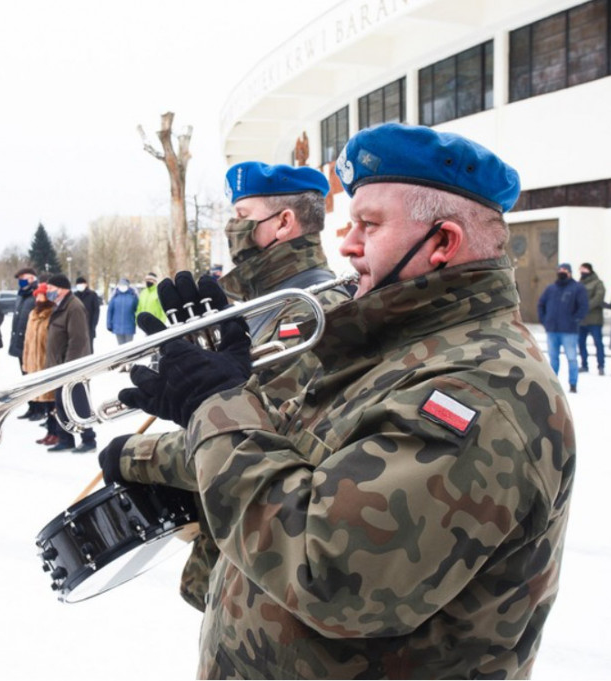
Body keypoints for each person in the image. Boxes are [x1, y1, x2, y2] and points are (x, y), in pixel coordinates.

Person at [110, 123, 575, 678]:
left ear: (444, 243)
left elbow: (327, 569)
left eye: (369, 225)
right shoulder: (392, 348)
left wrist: (218, 405)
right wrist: (229, 394)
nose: (347, 244)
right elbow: (294, 456)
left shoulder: (479, 390)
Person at [103, 160, 348, 612]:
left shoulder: (311, 309)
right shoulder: (257, 304)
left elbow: (266, 432)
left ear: (283, 223)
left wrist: (137, 456)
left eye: (241, 215)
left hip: (271, 562)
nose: (232, 229)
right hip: (239, 544)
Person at [43, 273, 96, 453]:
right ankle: (66, 439)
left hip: (73, 367)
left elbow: (78, 339)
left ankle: (88, 439)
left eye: (51, 288)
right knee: (61, 404)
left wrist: (69, 366)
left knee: (78, 403)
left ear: (62, 288)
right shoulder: (59, 306)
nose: (48, 291)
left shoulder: (74, 307)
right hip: (60, 366)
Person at [537, 262, 589, 393]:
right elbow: (541, 304)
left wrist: (575, 320)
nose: (561, 271)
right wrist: (545, 320)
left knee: (571, 358)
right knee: (553, 359)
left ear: (570, 272)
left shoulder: (578, 288)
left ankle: (573, 383)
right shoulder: (551, 288)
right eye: (559, 269)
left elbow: (583, 307)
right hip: (552, 330)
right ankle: (553, 385)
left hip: (569, 331)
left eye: (564, 270)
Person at [21, 283, 58, 446]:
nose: (38, 298)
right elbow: (27, 341)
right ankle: (49, 431)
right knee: (44, 402)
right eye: (36, 295)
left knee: (52, 401)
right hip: (34, 363)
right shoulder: (32, 314)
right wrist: (26, 362)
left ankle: (56, 432)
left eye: (41, 295)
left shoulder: (53, 313)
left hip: (46, 363)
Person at [8, 267, 41, 420]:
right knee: (25, 377)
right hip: (20, 343)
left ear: (33, 278)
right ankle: (32, 407)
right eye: (20, 278)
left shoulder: (36, 294)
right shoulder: (21, 295)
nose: (22, 281)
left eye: (25, 278)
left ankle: (40, 408)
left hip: (31, 343)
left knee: (34, 377)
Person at [578, 262, 607, 375]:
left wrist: (584, 307)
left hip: (594, 320)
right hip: (582, 321)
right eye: (580, 269)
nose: (581, 271)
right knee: (581, 343)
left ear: (589, 270)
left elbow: (598, 298)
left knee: (598, 343)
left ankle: (601, 365)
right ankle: (584, 364)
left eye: (584, 269)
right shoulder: (579, 284)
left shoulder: (598, 283)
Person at [105, 278, 138, 346]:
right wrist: (109, 324)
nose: (122, 287)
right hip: (117, 328)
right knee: (121, 348)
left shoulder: (133, 296)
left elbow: (137, 310)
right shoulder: (115, 296)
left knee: (129, 348)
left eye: (124, 285)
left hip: (129, 327)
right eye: (121, 285)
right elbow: (110, 311)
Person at [73, 276, 101, 352]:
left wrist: (93, 325)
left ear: (86, 284)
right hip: (76, 327)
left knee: (89, 348)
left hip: (89, 326)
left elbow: (96, 311)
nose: (80, 285)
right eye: (78, 284)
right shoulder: (74, 296)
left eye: (82, 283)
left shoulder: (92, 295)